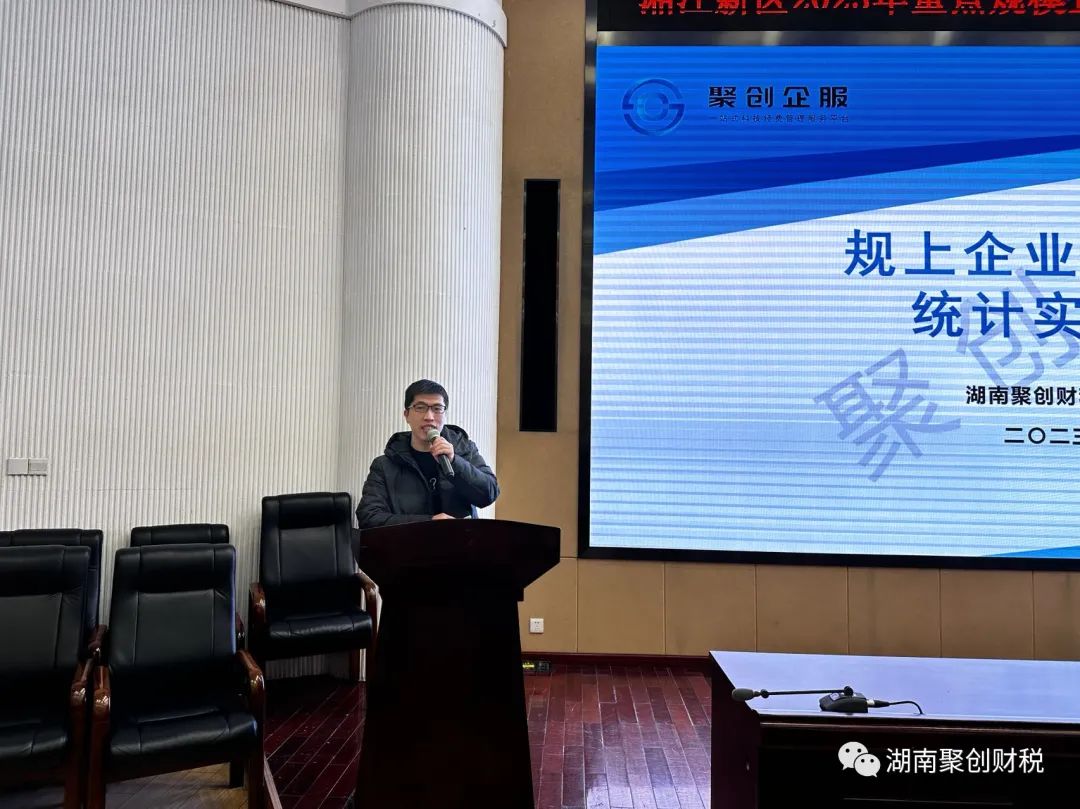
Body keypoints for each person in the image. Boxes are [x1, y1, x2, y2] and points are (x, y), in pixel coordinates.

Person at [356, 379, 500, 528]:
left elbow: (489, 494)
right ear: (406, 415)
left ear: (445, 414)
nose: (429, 417)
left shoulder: (465, 450)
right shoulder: (385, 465)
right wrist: (428, 523)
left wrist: (455, 462)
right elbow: (368, 517)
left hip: (462, 541)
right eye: (420, 407)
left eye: (437, 409)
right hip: (409, 542)